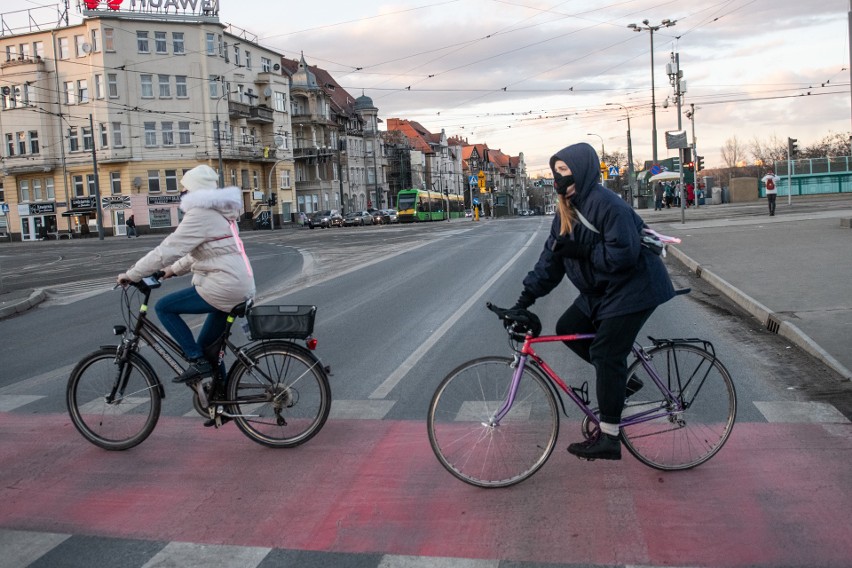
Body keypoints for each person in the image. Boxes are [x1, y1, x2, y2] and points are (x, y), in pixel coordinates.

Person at [510, 142, 675, 461]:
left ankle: (610, 438)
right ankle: (622, 383)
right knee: (568, 326)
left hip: (634, 286)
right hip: (604, 289)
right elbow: (550, 262)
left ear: (582, 170)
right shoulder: (565, 211)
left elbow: (624, 256)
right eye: (555, 172)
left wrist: (585, 251)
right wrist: (523, 301)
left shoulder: (606, 204)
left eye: (564, 171)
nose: (558, 179)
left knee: (606, 352)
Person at [117, 165, 255, 386]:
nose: (182, 193)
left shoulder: (201, 215)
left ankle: (195, 360)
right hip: (238, 285)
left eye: (185, 189)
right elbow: (199, 253)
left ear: (195, 191)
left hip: (225, 286)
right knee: (209, 348)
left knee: (164, 307)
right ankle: (220, 398)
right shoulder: (221, 214)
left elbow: (167, 249)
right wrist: (170, 271)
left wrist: (132, 274)